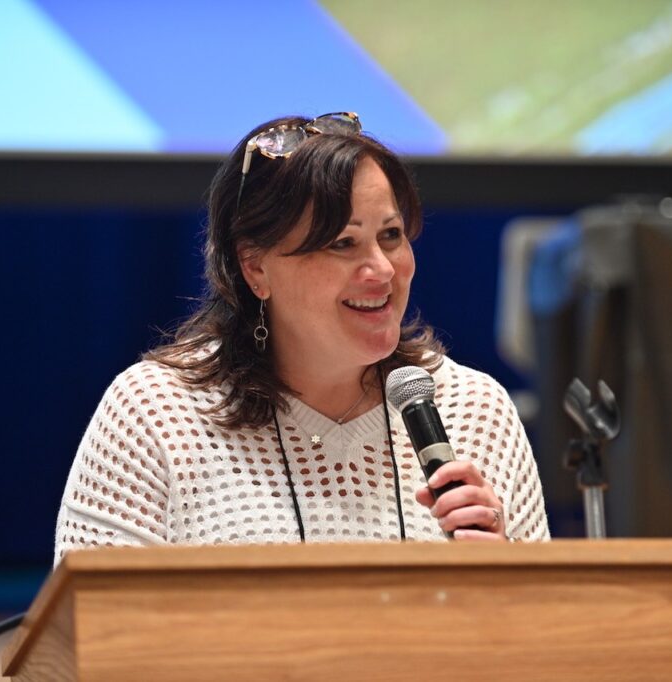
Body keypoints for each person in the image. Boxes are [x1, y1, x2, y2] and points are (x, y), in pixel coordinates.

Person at [54, 112, 548, 562]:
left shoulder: (475, 408)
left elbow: (547, 645)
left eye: (391, 235)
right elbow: (86, 643)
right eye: (342, 244)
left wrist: (502, 574)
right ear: (255, 268)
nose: (380, 268)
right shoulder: (156, 413)